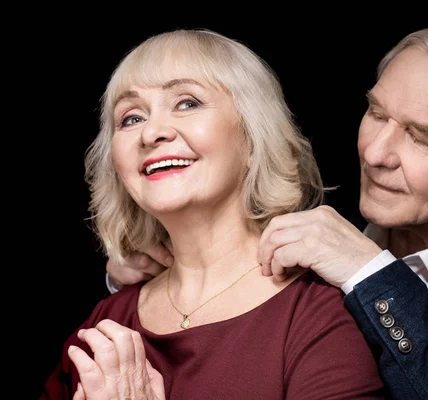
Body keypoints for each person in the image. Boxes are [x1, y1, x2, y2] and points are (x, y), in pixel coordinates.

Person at [105, 23, 428, 399]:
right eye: (377, 114)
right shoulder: (320, 218)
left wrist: (370, 272)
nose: (376, 154)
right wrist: (143, 270)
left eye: (421, 136)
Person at [41, 28, 386, 399]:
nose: (151, 132)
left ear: (253, 137)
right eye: (131, 118)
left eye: (187, 102)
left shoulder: (319, 314)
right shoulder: (102, 326)